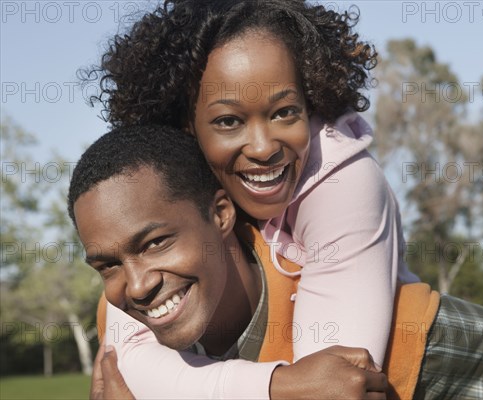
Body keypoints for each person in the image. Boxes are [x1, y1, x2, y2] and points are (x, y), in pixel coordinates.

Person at [69, 125, 483, 399]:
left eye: (155, 243)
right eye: (107, 265)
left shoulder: (388, 327)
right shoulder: (126, 332)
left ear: (219, 214)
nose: (134, 286)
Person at [84, 0, 420, 389]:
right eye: (229, 121)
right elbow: (130, 362)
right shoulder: (177, 198)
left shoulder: (344, 184)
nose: (263, 147)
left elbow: (335, 385)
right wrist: (276, 387)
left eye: (284, 112)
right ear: (185, 128)